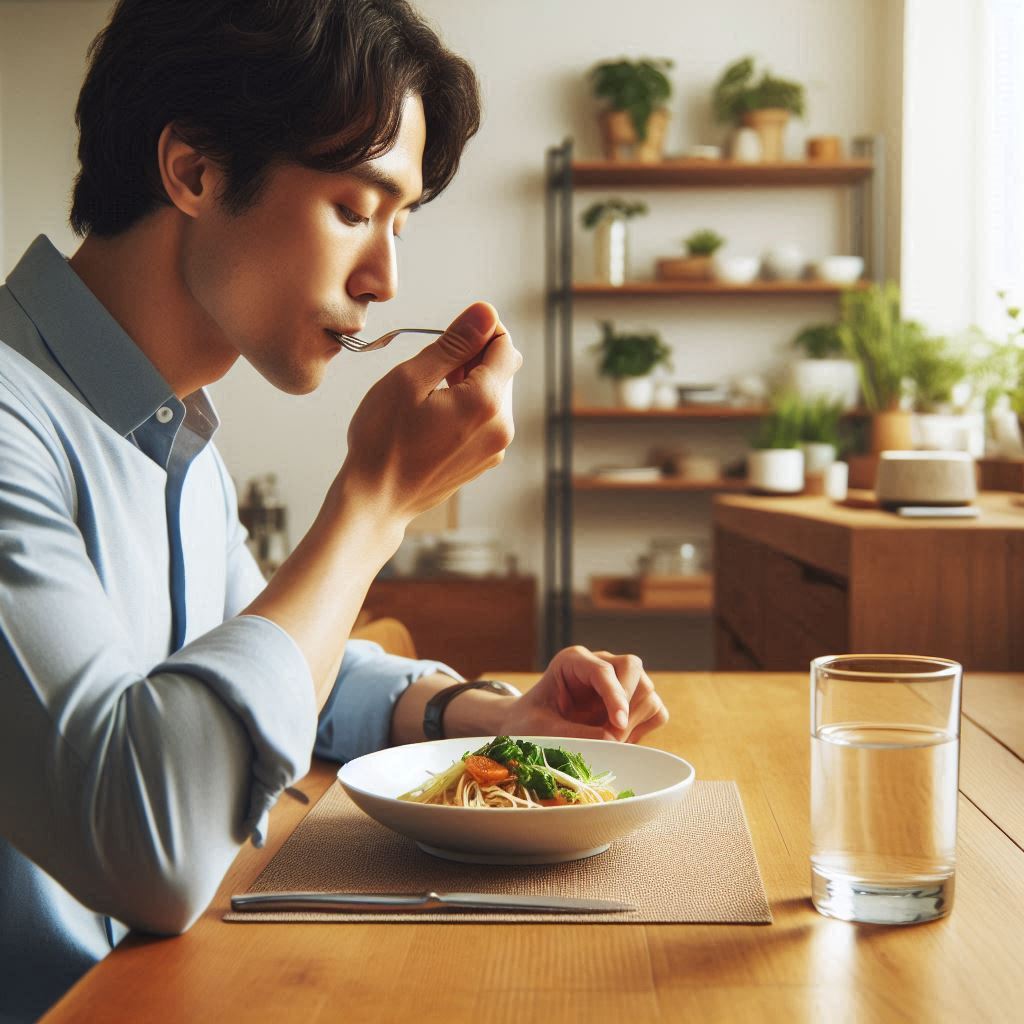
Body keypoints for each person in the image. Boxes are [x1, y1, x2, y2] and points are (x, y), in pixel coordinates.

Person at [0, 1, 668, 1019]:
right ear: (194, 171)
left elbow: (269, 668)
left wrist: (484, 720)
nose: (385, 276)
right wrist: (371, 507)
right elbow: (155, 852)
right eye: (357, 209)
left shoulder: (170, 436)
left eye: (400, 224)